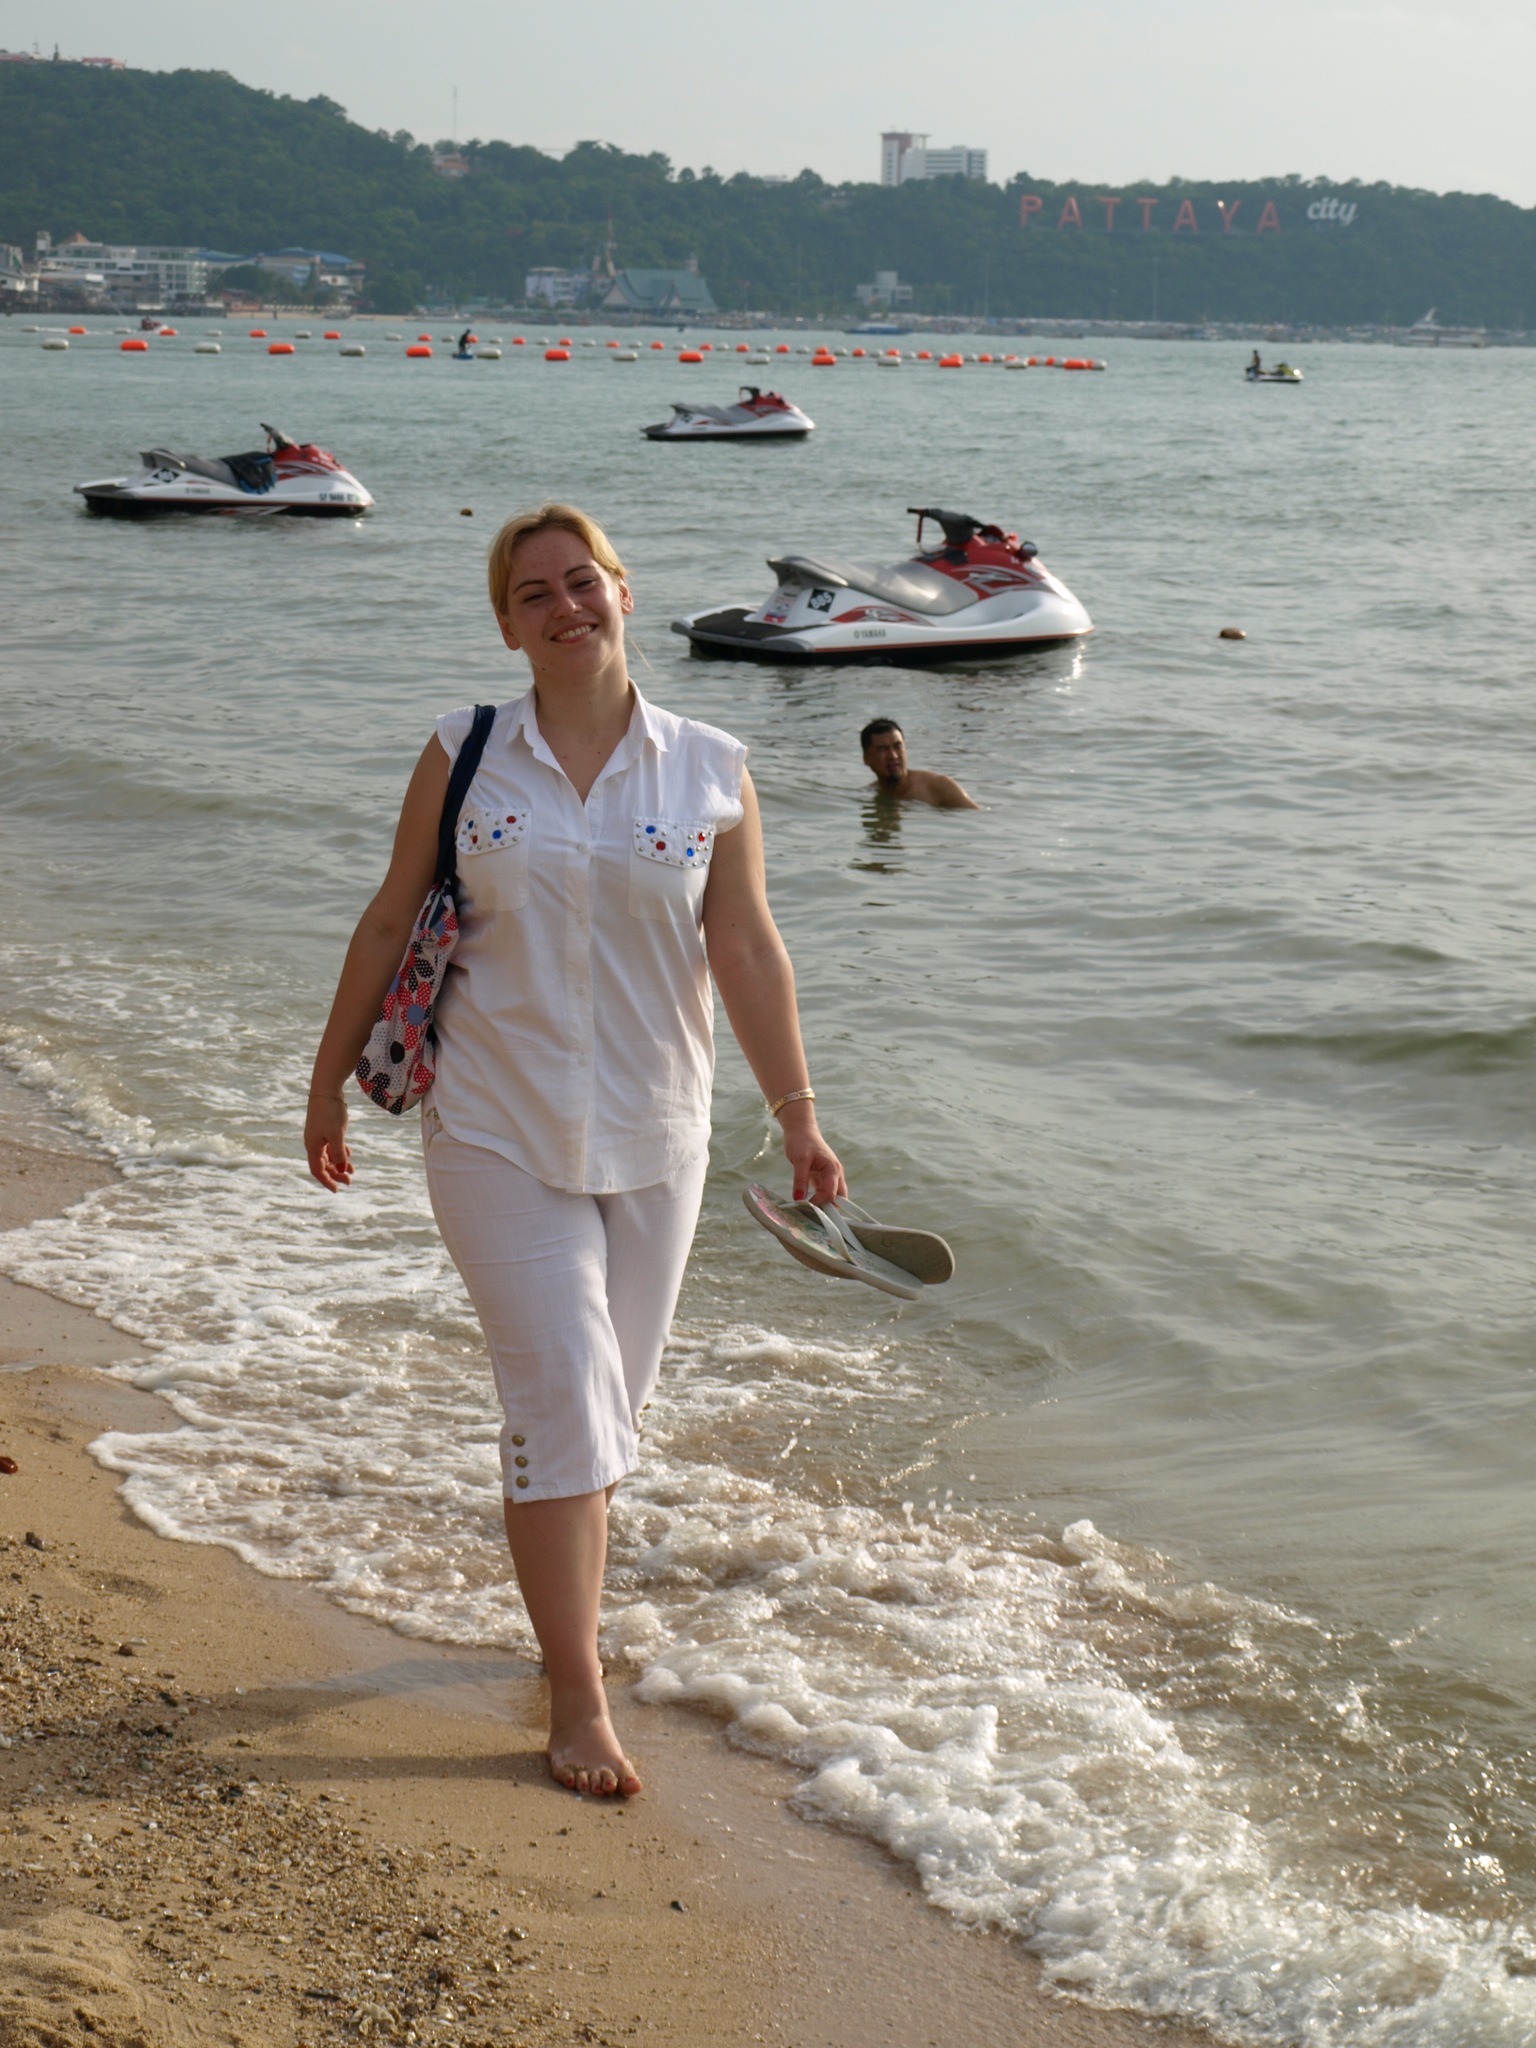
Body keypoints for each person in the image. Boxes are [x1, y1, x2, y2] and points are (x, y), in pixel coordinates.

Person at [306, 504, 845, 1798]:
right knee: (562, 1400)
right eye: (533, 593)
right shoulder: (464, 752)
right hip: (494, 1124)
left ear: (623, 592)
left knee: (605, 1412)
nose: (565, 607)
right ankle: (576, 1690)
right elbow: (389, 917)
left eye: (582, 581)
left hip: (660, 1136)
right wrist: (326, 1082)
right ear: (507, 625)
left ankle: (562, 1617)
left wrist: (799, 1112)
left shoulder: (709, 766)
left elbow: (746, 948)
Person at [860, 718, 978, 809]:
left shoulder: (939, 787)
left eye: (897, 747)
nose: (893, 756)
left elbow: (976, 819)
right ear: (866, 758)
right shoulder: (871, 793)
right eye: (882, 749)